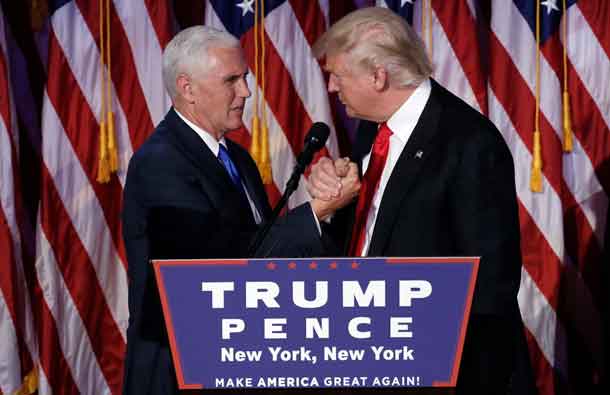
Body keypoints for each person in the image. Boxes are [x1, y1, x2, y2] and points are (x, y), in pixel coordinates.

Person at [121, 26, 358, 394]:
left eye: (245, 78)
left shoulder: (237, 157)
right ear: (187, 89)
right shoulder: (160, 163)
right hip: (181, 372)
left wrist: (328, 209)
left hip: (236, 361)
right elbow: (219, 267)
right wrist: (314, 211)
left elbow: (262, 252)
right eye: (232, 80)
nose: (246, 91)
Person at [308, 7, 528, 394]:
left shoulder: (468, 143)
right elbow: (365, 242)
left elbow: (489, 284)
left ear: (378, 76)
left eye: (338, 76)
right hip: (366, 354)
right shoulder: (371, 132)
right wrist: (337, 203)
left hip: (438, 371)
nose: (331, 87)